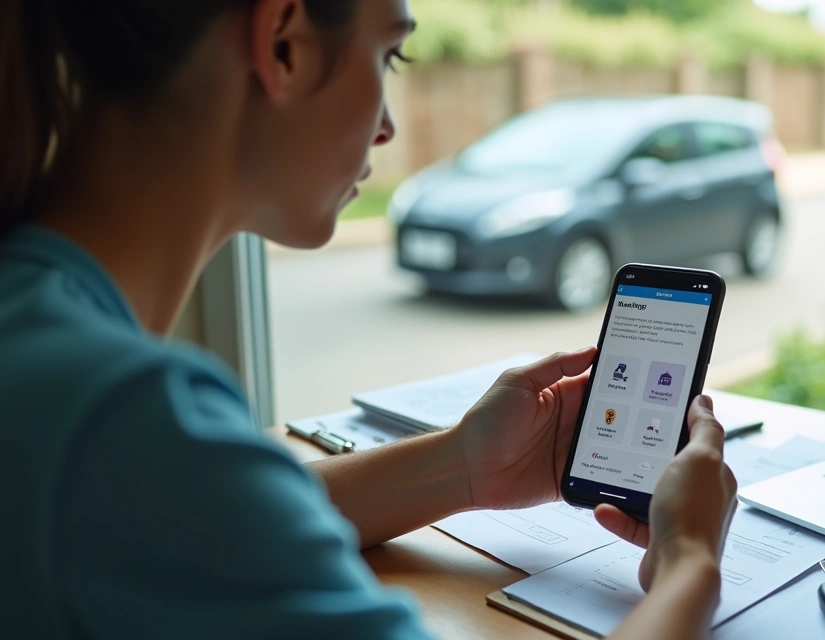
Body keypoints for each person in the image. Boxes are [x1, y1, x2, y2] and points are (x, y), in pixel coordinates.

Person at [0, 0, 738, 638]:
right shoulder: (120, 418)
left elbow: (186, 519)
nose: (386, 127)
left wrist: (465, 466)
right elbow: (173, 488)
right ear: (284, 42)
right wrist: (690, 564)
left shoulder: (45, 341)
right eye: (392, 52)